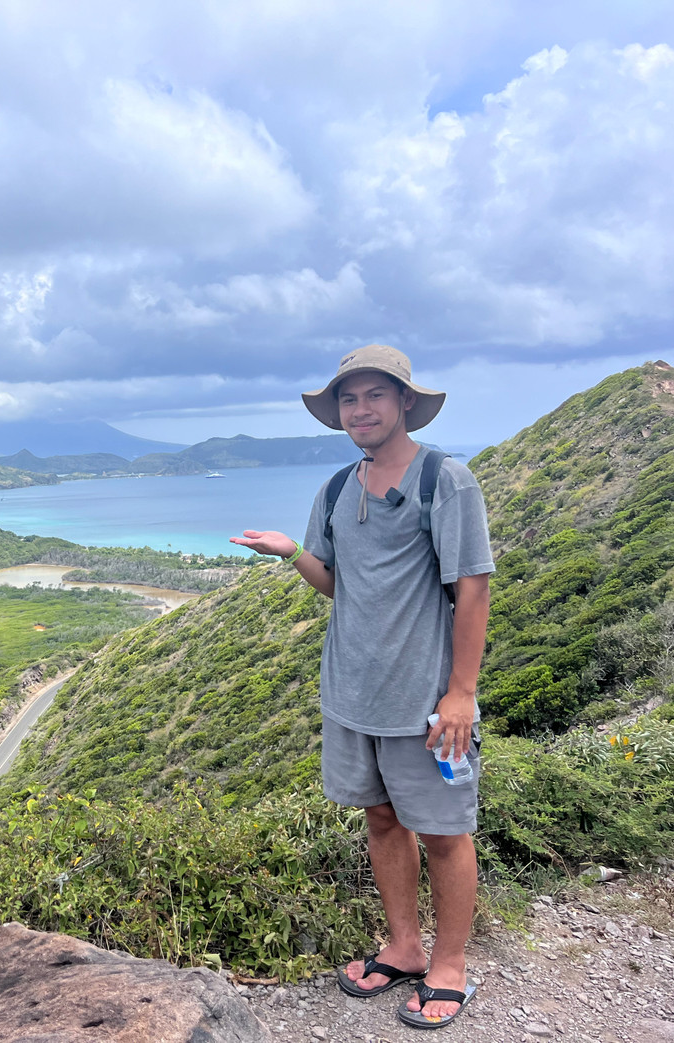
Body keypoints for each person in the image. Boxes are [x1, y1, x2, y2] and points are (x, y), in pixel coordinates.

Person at [231, 344, 494, 1030]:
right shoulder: (338, 488)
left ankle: (450, 967)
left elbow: (472, 589)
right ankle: (404, 948)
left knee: (443, 831)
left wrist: (461, 693)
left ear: (405, 401)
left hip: (424, 702)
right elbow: (336, 585)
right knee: (381, 819)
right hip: (352, 696)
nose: (360, 409)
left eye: (375, 394)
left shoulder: (446, 480)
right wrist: (293, 553)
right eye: (349, 399)